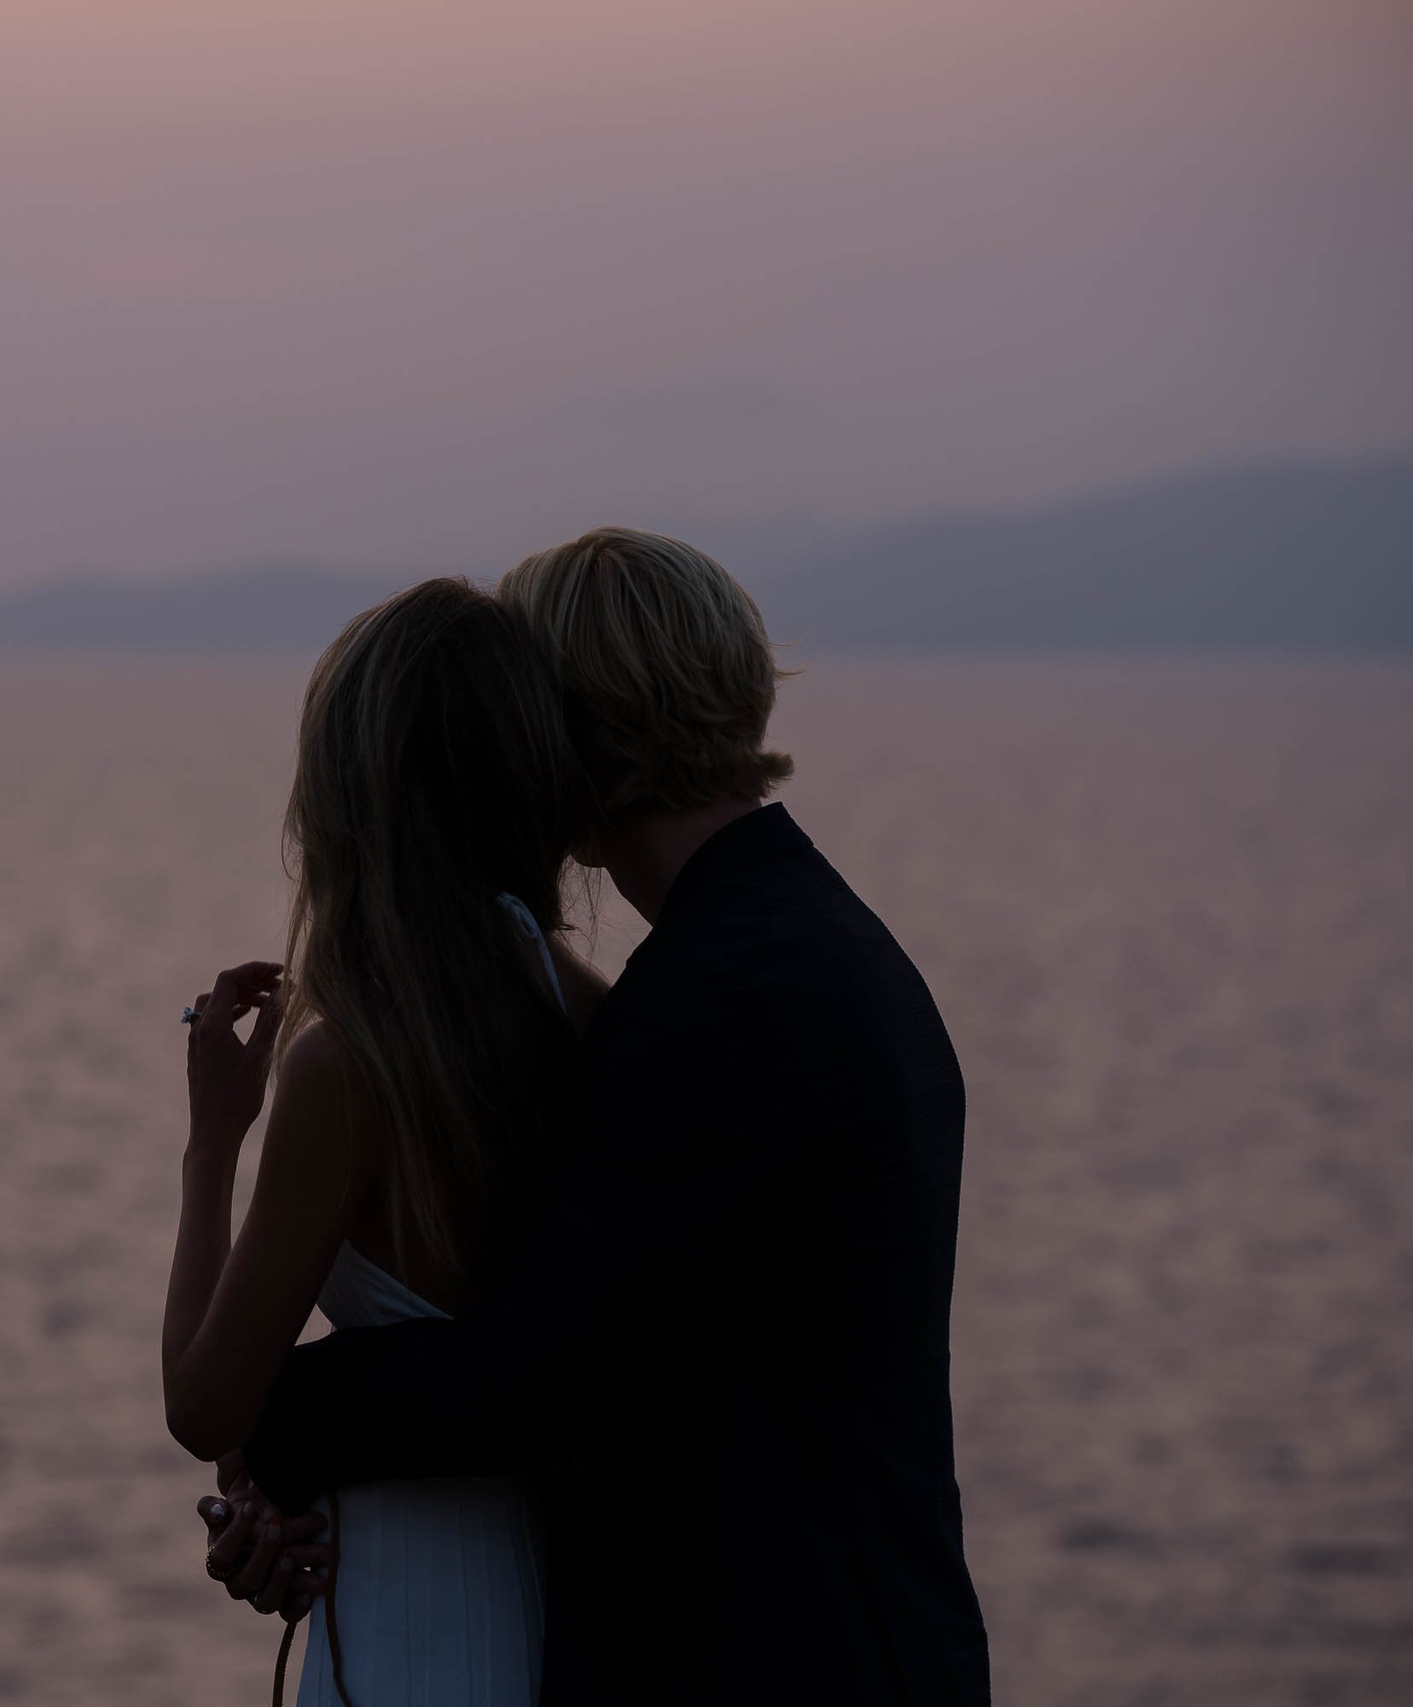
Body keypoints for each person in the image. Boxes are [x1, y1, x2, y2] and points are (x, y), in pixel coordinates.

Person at [198, 529, 992, 1704]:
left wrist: (270, 1421)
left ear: (577, 726)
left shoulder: (719, 997)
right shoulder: (800, 944)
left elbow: (539, 1371)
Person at [164, 578, 610, 1704]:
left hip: (411, 1637)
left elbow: (207, 1404)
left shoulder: (351, 1066)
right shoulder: (599, 1022)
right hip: (562, 1626)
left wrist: (213, 1141)